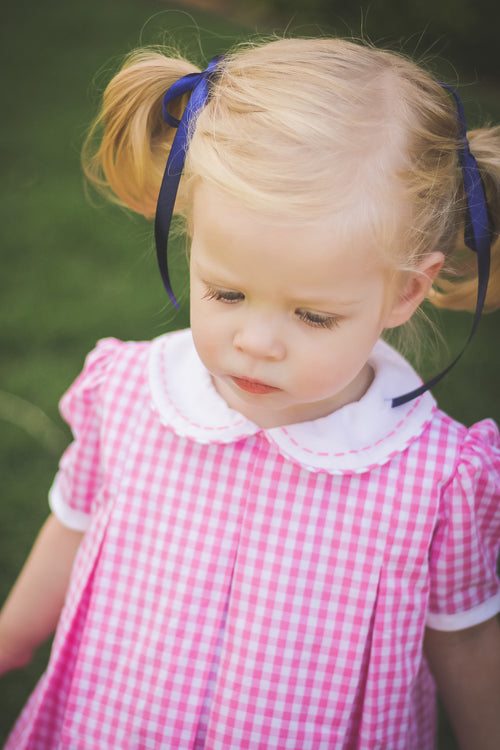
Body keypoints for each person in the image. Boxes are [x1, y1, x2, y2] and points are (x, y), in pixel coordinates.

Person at [0, 35, 499, 750]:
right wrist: (11, 639)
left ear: (405, 291)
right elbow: (73, 522)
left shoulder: (435, 477)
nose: (257, 342)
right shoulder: (134, 396)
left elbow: (468, 639)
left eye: (313, 315)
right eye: (227, 292)